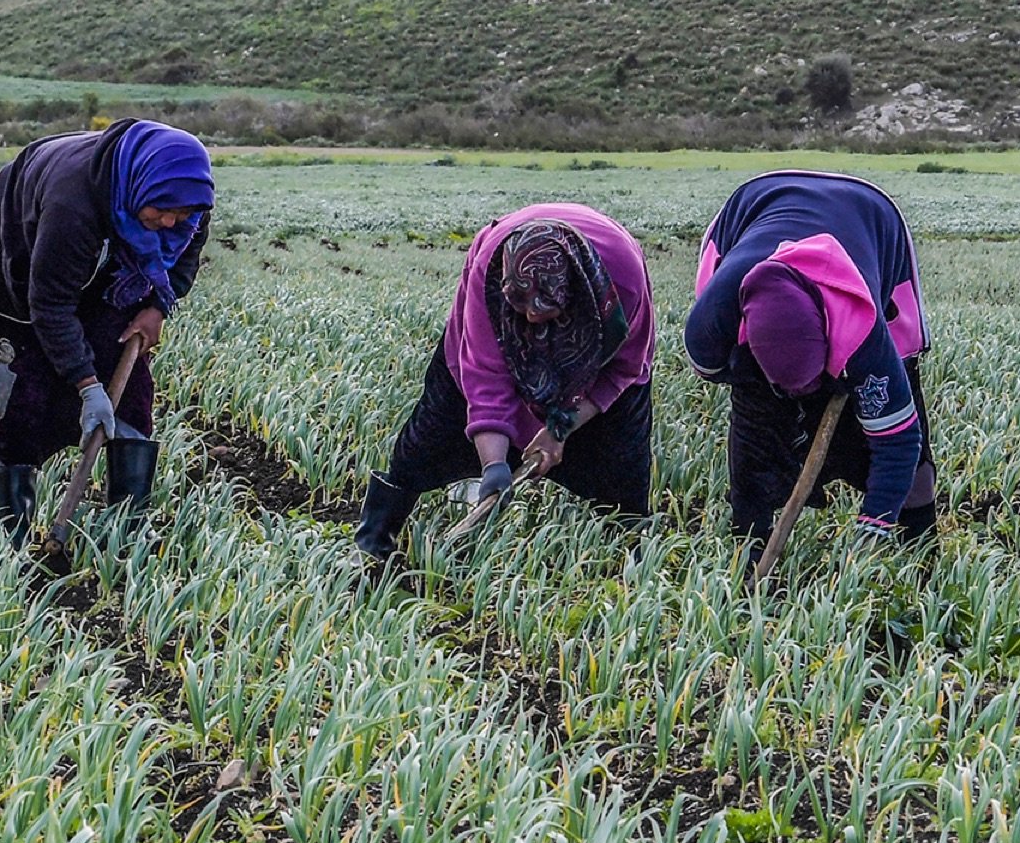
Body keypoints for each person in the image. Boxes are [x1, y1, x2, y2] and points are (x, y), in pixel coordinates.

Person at [355, 204, 656, 561]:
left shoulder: (622, 287)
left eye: (544, 308)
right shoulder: (491, 273)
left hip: (598, 359)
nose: (530, 316)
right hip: (489, 326)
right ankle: (374, 541)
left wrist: (559, 430)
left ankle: (633, 558)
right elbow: (485, 373)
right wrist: (494, 464)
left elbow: (622, 369)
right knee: (430, 433)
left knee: (621, 461)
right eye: (521, 305)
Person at [0, 119, 213, 535]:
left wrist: (157, 305)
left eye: (183, 214)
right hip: (19, 248)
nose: (173, 223)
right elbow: (48, 304)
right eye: (163, 211)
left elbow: (186, 252)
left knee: (124, 369)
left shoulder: (185, 193)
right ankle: (10, 531)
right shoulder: (72, 205)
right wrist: (87, 386)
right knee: (22, 381)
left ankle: (126, 530)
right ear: (141, 186)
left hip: (109, 263)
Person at [685, 171, 936, 556]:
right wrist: (771, 383)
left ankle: (921, 549)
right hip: (753, 204)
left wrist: (875, 526)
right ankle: (748, 548)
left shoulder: (863, 330)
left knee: (901, 421)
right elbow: (714, 369)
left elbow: (898, 440)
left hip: (871, 215)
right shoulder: (712, 323)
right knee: (755, 424)